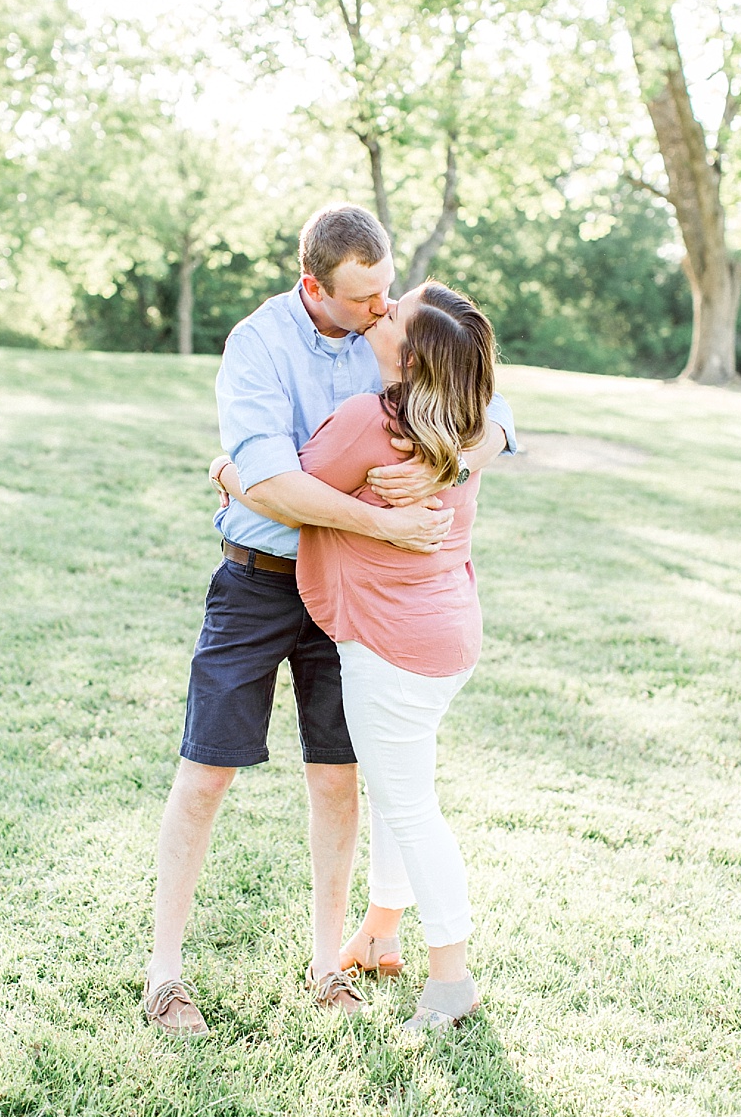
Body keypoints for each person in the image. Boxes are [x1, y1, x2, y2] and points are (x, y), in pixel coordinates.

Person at [141, 204, 514, 1037]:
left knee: (337, 779)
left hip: (351, 607)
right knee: (206, 774)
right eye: (363, 299)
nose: (382, 309)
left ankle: (327, 965)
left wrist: (452, 461)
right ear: (314, 285)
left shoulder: (395, 335)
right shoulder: (259, 346)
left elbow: (492, 413)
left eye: (389, 295)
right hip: (259, 582)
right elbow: (272, 482)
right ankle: (164, 974)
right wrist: (380, 516)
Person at [214, 281, 501, 1033]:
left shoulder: (368, 424)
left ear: (405, 356)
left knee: (409, 808)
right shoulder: (455, 427)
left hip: (392, 647)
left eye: (394, 314)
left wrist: (223, 470)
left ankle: (452, 980)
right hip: (447, 637)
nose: (381, 311)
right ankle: (378, 933)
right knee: (401, 793)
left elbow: (278, 491)